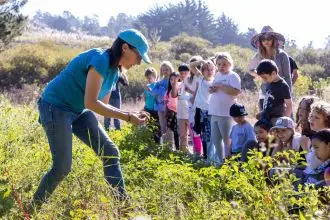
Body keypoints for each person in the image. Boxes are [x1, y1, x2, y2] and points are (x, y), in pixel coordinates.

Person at [31, 29, 151, 209]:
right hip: (55, 106)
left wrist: (131, 114)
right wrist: (126, 117)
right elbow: (91, 102)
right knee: (62, 167)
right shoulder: (100, 59)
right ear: (125, 48)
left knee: (110, 152)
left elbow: (103, 105)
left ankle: (123, 207)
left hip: (78, 110)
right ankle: (33, 207)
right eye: (139, 56)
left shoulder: (115, 72)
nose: (140, 62)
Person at [249, 26, 292, 111]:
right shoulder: (258, 56)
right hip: (265, 90)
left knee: (280, 119)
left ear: (274, 39)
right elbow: (250, 69)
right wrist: (258, 74)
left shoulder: (282, 55)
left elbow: (287, 76)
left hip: (280, 91)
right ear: (260, 41)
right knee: (265, 119)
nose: (266, 41)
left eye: (268, 38)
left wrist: (288, 94)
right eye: (263, 39)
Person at [209, 52, 241, 165]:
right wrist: (211, 89)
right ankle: (220, 162)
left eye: (224, 64)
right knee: (216, 140)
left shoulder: (233, 76)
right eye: (219, 64)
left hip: (226, 113)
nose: (221, 66)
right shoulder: (217, 75)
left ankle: (229, 163)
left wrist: (221, 86)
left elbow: (236, 92)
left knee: (227, 140)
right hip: (214, 112)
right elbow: (214, 89)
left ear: (230, 64)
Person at [256, 59, 293, 126]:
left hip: (276, 119)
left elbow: (289, 105)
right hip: (266, 117)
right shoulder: (269, 83)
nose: (263, 80)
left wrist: (284, 122)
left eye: (265, 77)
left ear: (273, 73)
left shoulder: (283, 86)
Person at [192, 60, 215, 160]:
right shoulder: (200, 78)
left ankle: (209, 157)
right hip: (199, 111)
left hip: (210, 112)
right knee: (201, 133)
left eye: (211, 69)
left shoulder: (215, 81)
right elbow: (191, 66)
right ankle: (205, 156)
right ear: (202, 71)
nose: (209, 71)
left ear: (214, 70)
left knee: (209, 135)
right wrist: (201, 61)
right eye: (206, 69)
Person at [151, 61, 174, 145]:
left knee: (170, 127)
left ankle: (171, 145)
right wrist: (162, 90)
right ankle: (164, 146)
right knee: (163, 126)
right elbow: (153, 92)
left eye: (167, 69)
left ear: (170, 70)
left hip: (170, 107)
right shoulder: (159, 82)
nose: (165, 71)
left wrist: (161, 90)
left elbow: (172, 92)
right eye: (163, 70)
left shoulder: (172, 80)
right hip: (159, 107)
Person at [173, 64, 190, 153]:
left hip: (190, 113)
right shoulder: (179, 84)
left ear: (189, 72)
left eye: (185, 73)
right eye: (181, 73)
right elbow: (173, 95)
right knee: (183, 134)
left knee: (193, 133)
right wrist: (175, 82)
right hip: (181, 113)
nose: (183, 75)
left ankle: (197, 152)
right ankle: (184, 151)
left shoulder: (192, 83)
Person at [143, 67, 160, 143]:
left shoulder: (157, 85)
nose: (148, 80)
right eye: (147, 78)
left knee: (156, 128)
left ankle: (157, 144)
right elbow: (145, 98)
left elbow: (156, 97)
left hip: (155, 110)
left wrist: (149, 90)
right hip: (148, 109)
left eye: (149, 78)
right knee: (149, 128)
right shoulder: (147, 86)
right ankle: (150, 144)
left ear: (154, 76)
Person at [165, 72, 180, 150]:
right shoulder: (168, 91)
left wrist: (175, 84)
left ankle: (178, 148)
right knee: (169, 129)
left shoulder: (179, 88)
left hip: (178, 112)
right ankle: (169, 147)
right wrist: (165, 112)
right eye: (171, 79)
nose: (173, 81)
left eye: (175, 79)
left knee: (176, 130)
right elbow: (166, 102)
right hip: (170, 112)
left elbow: (175, 95)